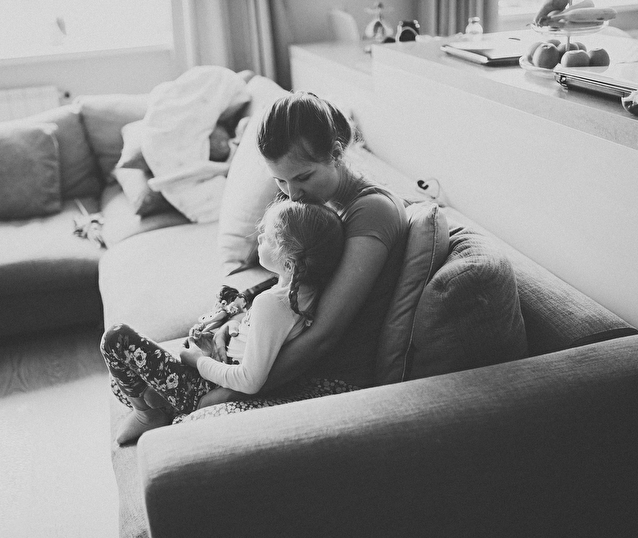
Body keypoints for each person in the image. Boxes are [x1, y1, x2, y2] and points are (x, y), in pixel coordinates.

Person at [206, 90, 409, 401]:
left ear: (336, 153)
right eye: (280, 181)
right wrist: (240, 325)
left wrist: (226, 395)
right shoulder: (322, 202)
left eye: (303, 177)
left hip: (332, 377)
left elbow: (324, 335)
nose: (292, 194)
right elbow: (293, 287)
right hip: (282, 359)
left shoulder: (372, 211)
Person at [101, 199, 346, 444]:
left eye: (269, 238)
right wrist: (233, 328)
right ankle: (159, 404)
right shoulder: (304, 293)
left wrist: (199, 361)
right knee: (122, 381)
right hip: (219, 365)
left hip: (204, 387)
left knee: (116, 339)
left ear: (289, 264)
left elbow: (249, 381)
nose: (260, 237)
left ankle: (147, 415)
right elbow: (267, 337)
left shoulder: (273, 304)